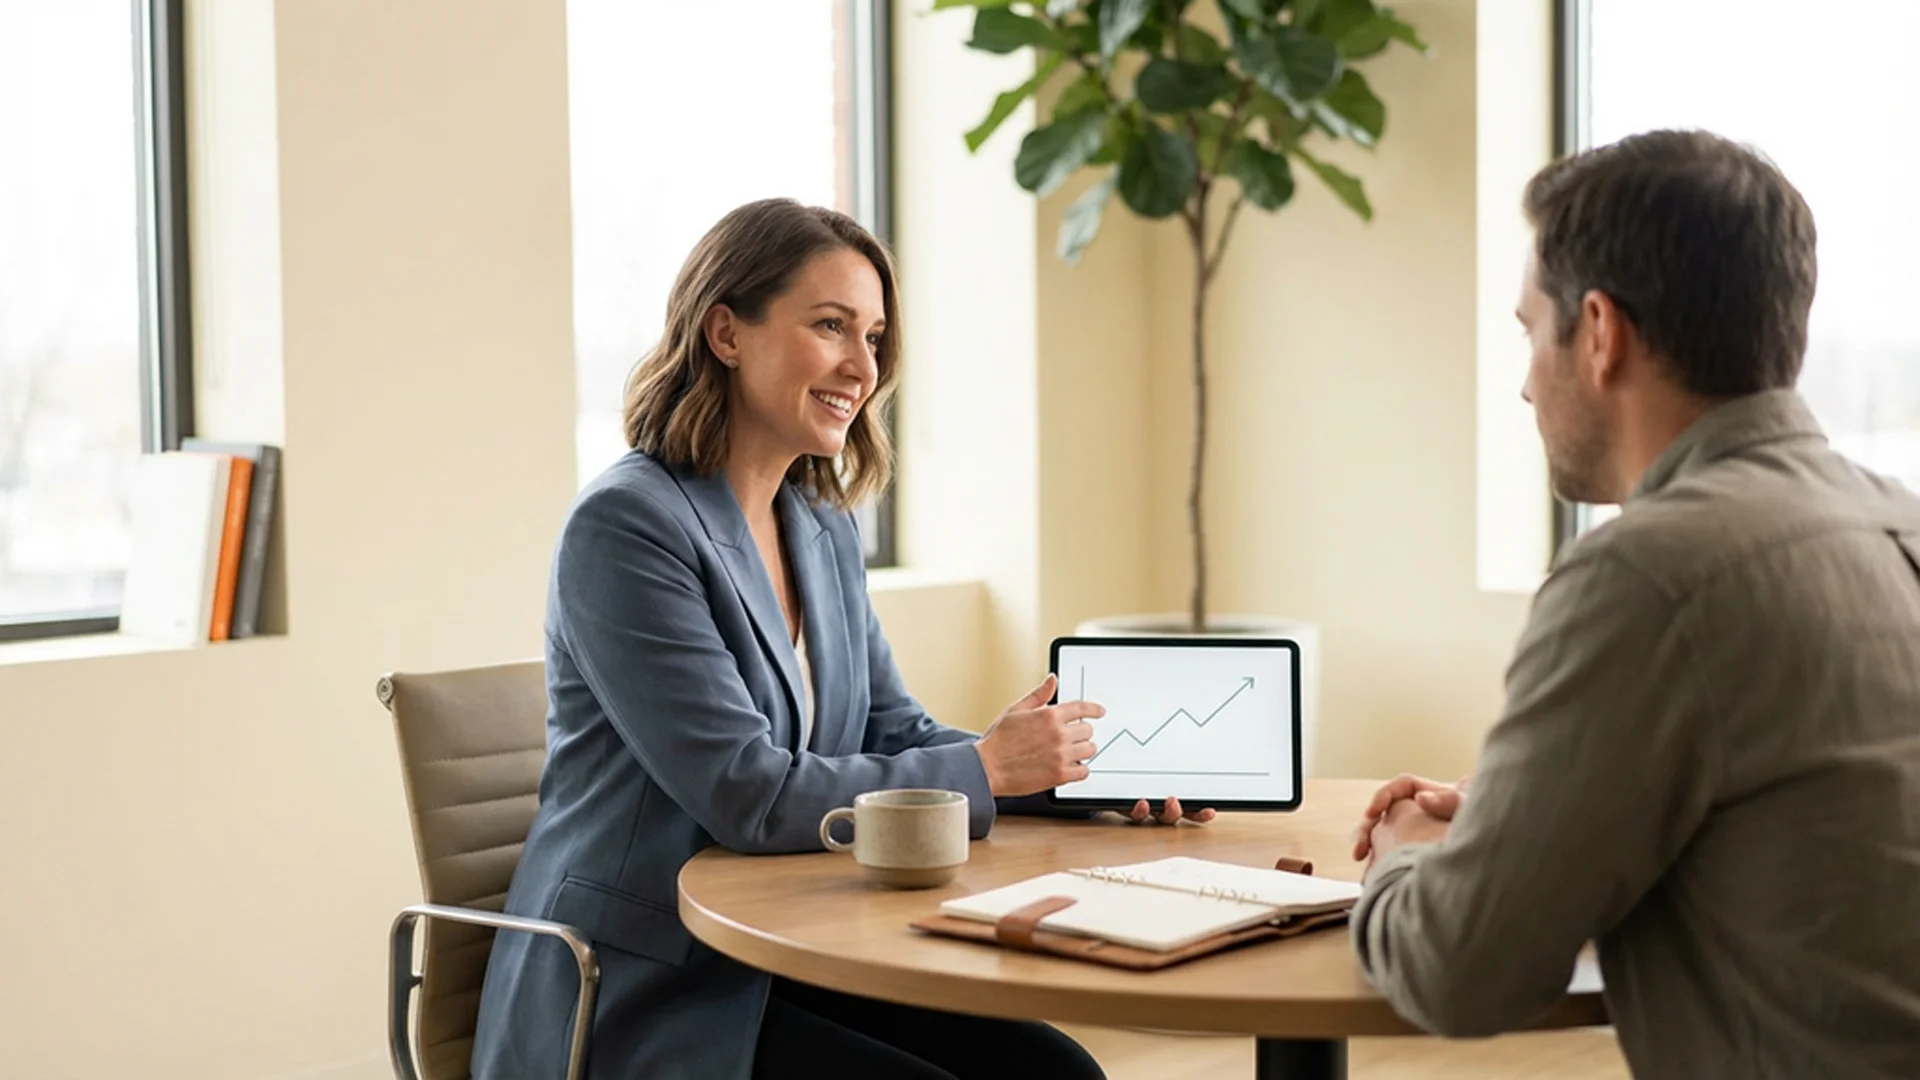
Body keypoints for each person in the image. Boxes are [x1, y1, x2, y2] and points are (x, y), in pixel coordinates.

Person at [469, 198, 1209, 1080]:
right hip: (642, 982)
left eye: (875, 337)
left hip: (784, 951)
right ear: (725, 332)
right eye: (832, 327)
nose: (863, 367)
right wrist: (989, 770)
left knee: (1056, 1072)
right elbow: (745, 793)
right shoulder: (627, 528)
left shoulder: (818, 522)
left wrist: (1067, 779)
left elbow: (889, 731)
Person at [1347, 128, 1920, 1079]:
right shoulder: (1897, 524)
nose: (1526, 383)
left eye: (1531, 331)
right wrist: (1524, 817)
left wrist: (1406, 856)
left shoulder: (1647, 576)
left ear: (1601, 334)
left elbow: (1459, 970)